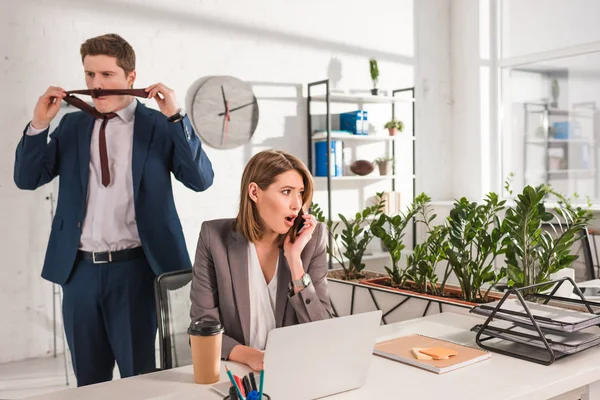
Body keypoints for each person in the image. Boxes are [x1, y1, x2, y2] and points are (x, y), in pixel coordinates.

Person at [13, 33, 214, 386]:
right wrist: (39, 124)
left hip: (136, 271)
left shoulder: (157, 125)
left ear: (130, 77)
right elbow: (27, 178)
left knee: (139, 378)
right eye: (90, 75)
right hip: (78, 273)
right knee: (89, 381)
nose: (96, 85)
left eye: (106, 75)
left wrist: (176, 117)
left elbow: (200, 179)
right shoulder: (71, 124)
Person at [190, 149, 333, 371]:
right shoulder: (213, 237)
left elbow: (324, 331)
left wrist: (295, 260)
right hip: (237, 371)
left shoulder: (311, 241)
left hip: (297, 369)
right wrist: (252, 357)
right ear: (255, 192)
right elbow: (202, 329)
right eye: (286, 191)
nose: (297, 204)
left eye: (301, 193)